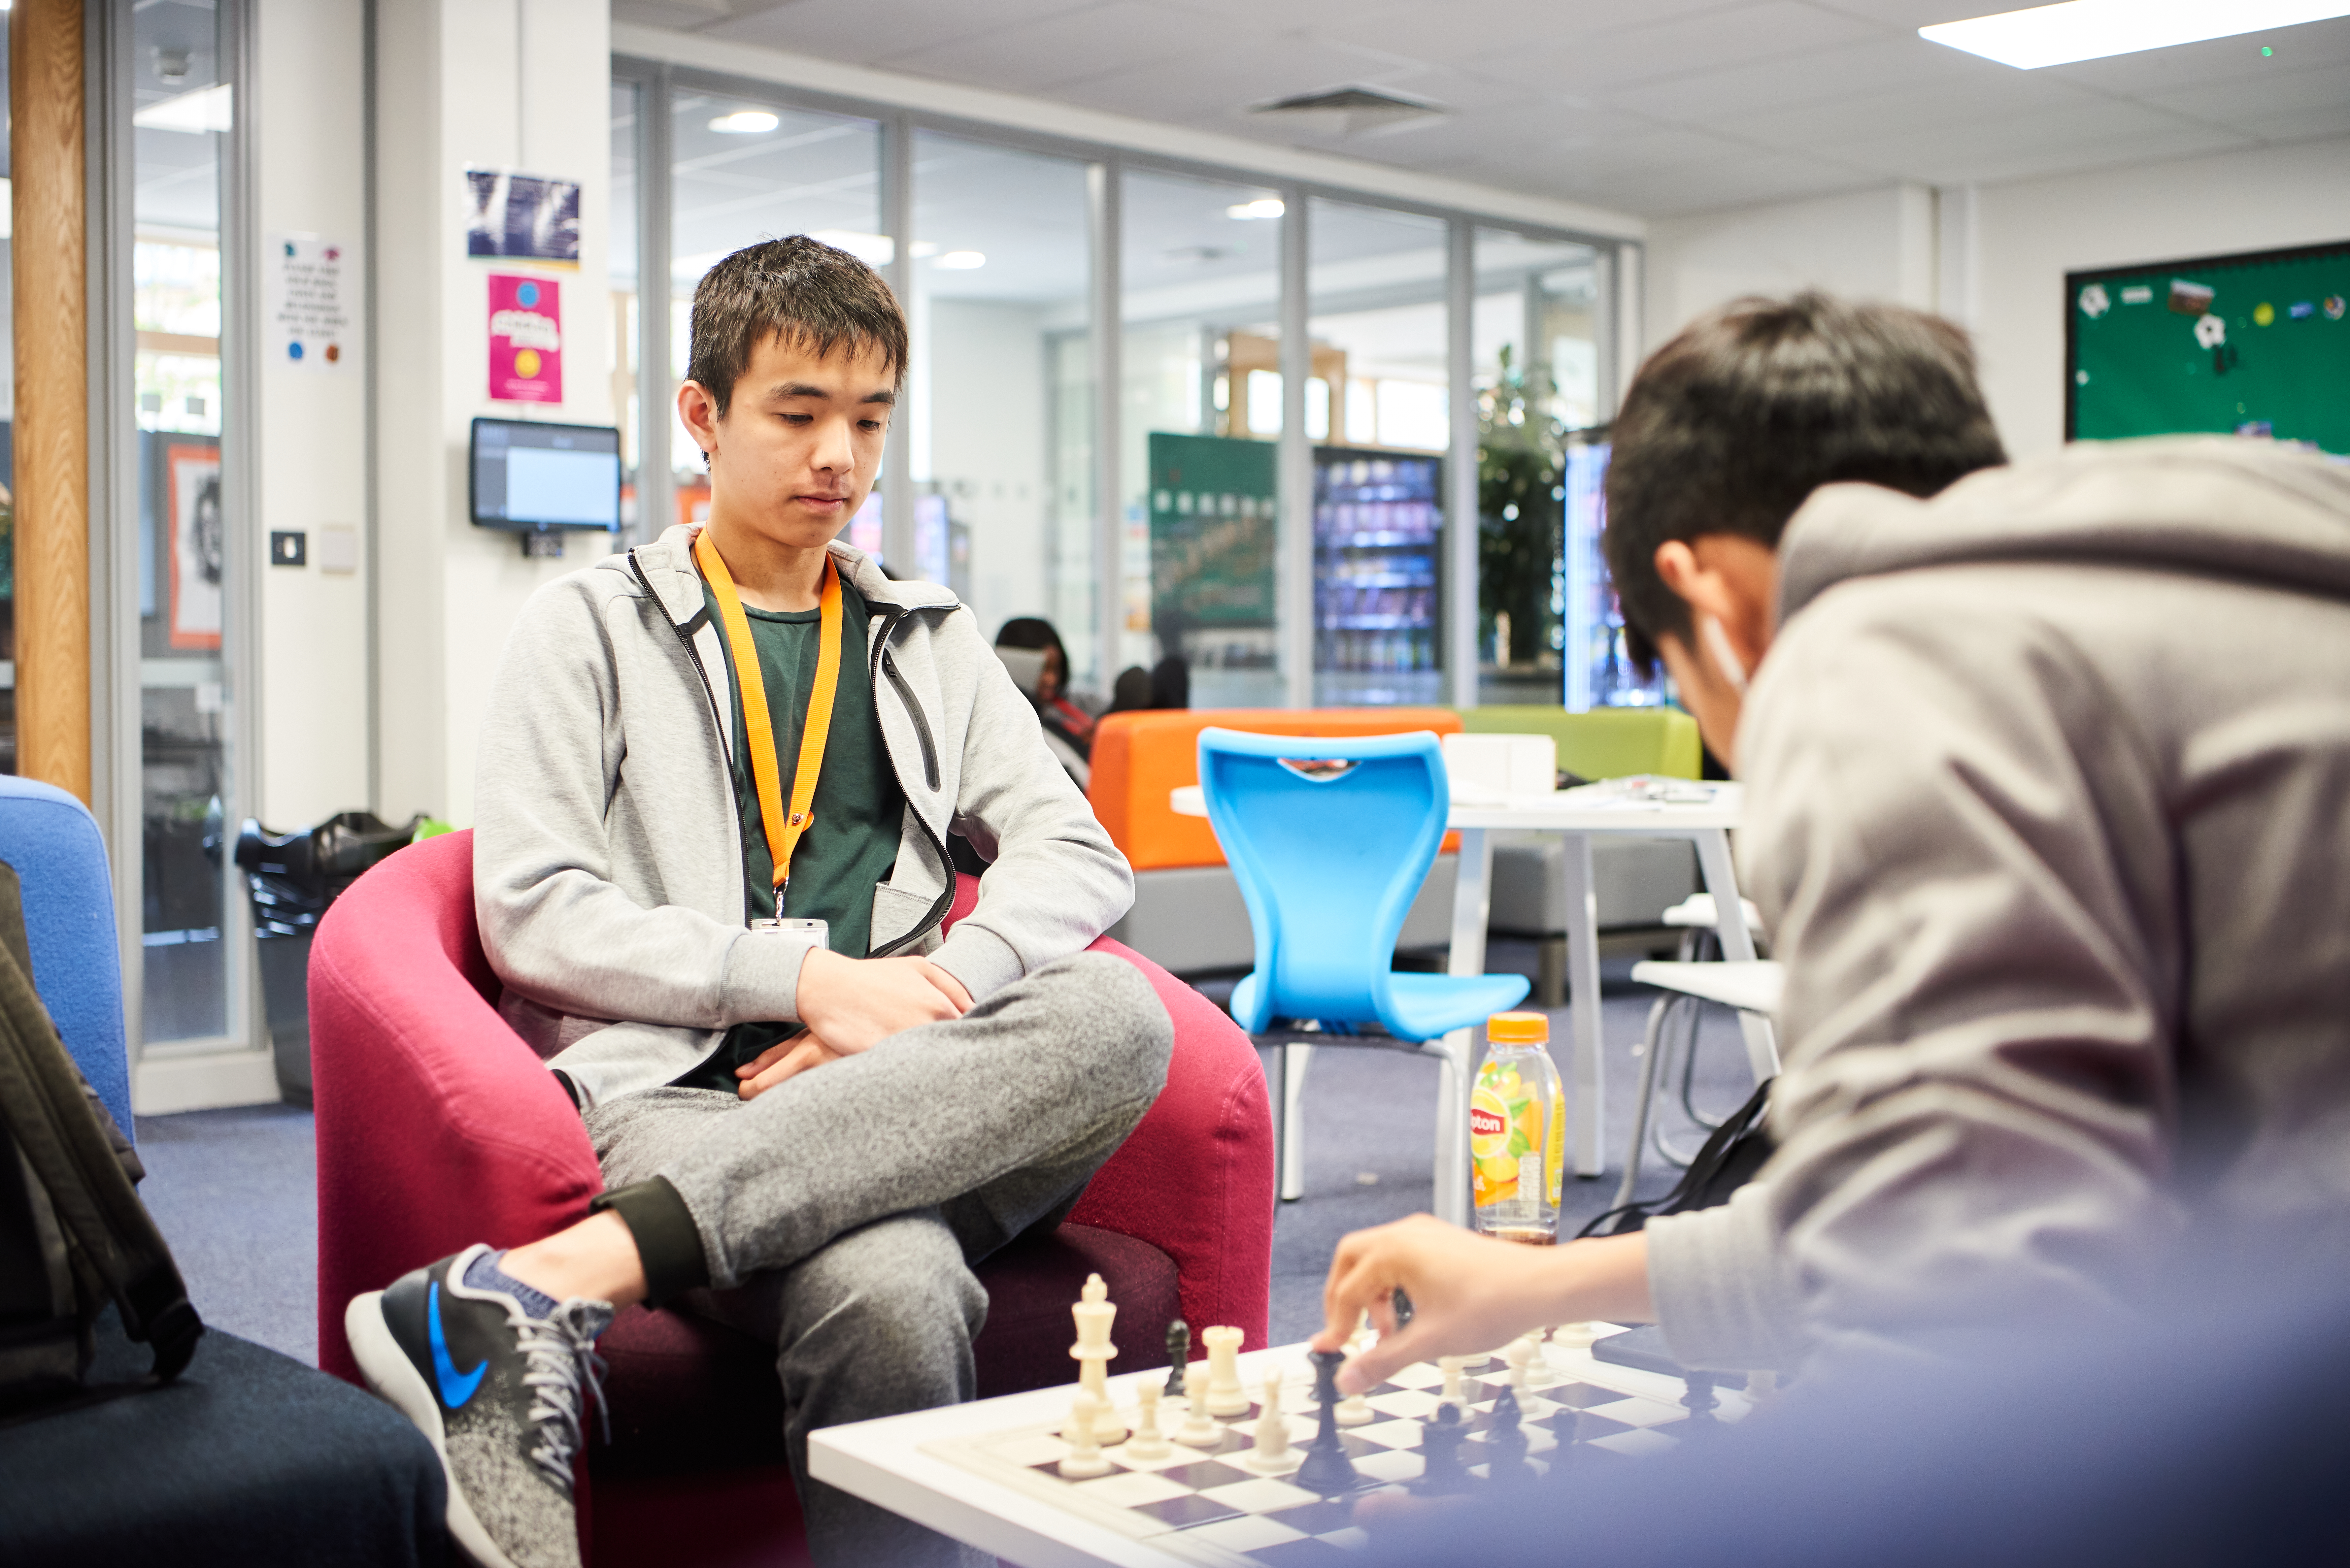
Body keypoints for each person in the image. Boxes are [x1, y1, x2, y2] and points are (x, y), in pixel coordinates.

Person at [1315, 291, 2350, 1388]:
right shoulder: (2271, 546)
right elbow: (1936, 1207)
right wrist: (1546, 1285)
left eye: (1679, 677)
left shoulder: (1877, 655)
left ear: (1702, 593)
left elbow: (1967, 1309)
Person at [345, 236, 1172, 1568]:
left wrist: (932, 998)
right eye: (797, 414)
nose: (836, 455)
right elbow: (535, 909)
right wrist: (806, 985)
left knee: (1119, 1016)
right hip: (671, 1099)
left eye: (867, 419)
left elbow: (1076, 853)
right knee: (900, 1290)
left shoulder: (928, 633)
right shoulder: (588, 626)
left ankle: (535, 1293)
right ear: (701, 417)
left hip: (901, 1084)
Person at [993, 616, 1097, 785]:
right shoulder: (1010, 728)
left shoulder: (1077, 704)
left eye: (1056, 669)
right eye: (1043, 669)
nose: (1052, 680)